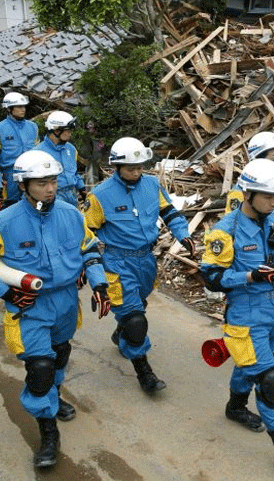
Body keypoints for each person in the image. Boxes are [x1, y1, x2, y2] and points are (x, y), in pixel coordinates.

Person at [0, 150, 110, 469]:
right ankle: (48, 433)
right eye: (41, 183)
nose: (50, 189)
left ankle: (54, 398)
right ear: (24, 186)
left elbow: (90, 250)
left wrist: (99, 283)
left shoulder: (71, 214)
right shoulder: (4, 221)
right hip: (30, 306)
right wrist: (6, 292)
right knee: (40, 368)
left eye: (53, 181)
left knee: (60, 352)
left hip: (66, 300)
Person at [200, 158, 274, 473]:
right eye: (267, 196)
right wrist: (249, 277)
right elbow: (210, 278)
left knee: (250, 363)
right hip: (245, 314)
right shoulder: (225, 232)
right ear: (247, 193)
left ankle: (235, 408)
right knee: (268, 379)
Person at [83, 137, 194, 393]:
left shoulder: (152, 185)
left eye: (140, 166)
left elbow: (169, 212)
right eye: (131, 168)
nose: (136, 172)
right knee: (136, 321)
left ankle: (121, 331)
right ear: (116, 166)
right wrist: (87, 269)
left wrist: (182, 233)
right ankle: (145, 374)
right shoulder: (99, 196)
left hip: (145, 260)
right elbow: (86, 234)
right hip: (117, 262)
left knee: (138, 305)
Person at [225, 131, 274, 386]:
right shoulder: (241, 194)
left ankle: (265, 349)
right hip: (259, 262)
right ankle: (271, 354)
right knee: (268, 308)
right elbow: (238, 233)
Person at [0, 92, 38, 208]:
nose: (23, 109)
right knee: (10, 207)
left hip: (31, 173)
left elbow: (38, 151)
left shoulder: (33, 127)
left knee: (35, 205)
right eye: (19, 107)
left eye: (24, 106)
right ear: (9, 109)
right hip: (9, 176)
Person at [34, 111, 85, 206]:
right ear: (57, 131)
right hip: (51, 197)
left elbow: (74, 172)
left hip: (72, 196)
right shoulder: (37, 153)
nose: (70, 133)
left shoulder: (71, 149)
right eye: (68, 130)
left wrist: (82, 189)